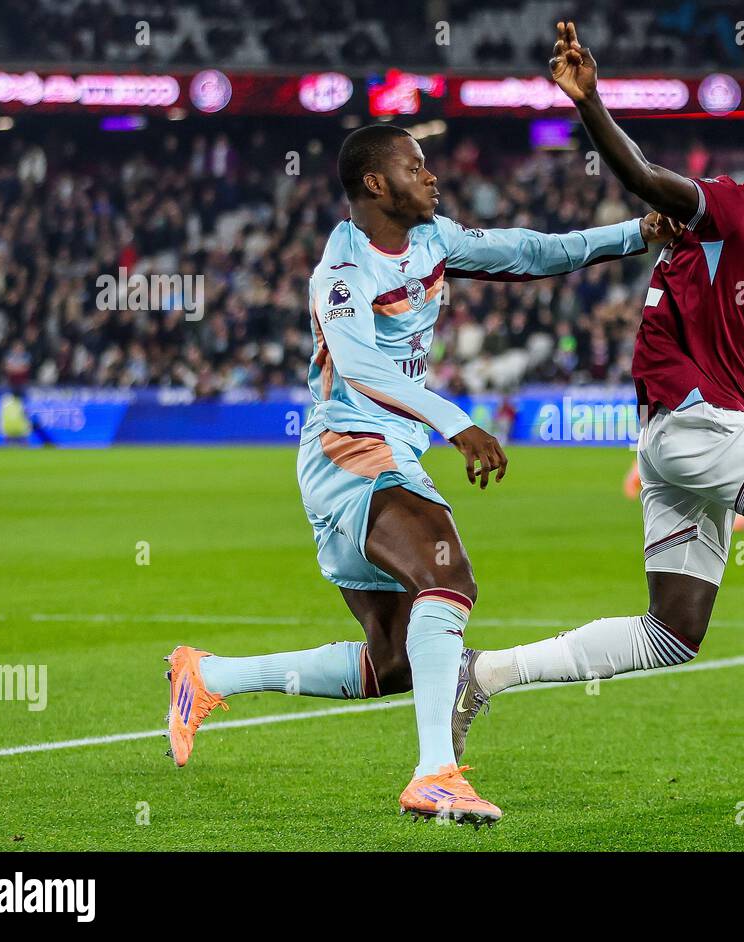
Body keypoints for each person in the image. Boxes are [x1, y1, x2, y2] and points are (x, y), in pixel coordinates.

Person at [163, 123, 679, 826]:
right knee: (449, 574)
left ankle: (208, 674)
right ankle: (435, 773)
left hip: (386, 452)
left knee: (395, 662)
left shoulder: (432, 239)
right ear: (376, 183)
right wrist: (455, 420)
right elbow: (360, 368)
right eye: (416, 166)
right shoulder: (343, 272)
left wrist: (632, 234)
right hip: (351, 447)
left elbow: (524, 251)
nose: (431, 177)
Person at [453, 21, 744, 771]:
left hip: (685, 436)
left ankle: (483, 674)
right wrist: (589, 101)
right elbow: (640, 173)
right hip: (696, 423)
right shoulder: (725, 209)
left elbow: (742, 350)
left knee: (672, 634)